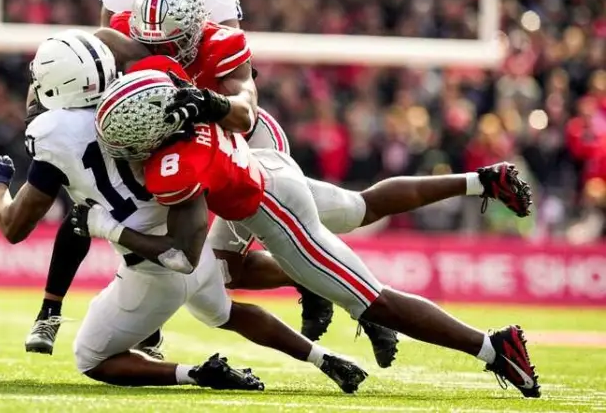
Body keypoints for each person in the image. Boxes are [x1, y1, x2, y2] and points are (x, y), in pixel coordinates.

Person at [77, 66, 541, 399]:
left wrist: (109, 228)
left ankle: (492, 348)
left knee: (373, 301)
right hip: (269, 167)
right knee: (359, 206)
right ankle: (481, 180)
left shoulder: (173, 167)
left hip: (272, 209)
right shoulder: (178, 90)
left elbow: (183, 255)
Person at [26, 0, 362, 361]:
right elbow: (98, 59)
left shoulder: (220, 1)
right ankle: (51, 308)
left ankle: (312, 275)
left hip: (202, 119)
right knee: (89, 197)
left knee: (236, 236)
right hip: (146, 115)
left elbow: (235, 80)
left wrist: (202, 104)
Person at [0, 29, 369, 392]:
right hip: (194, 244)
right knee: (224, 314)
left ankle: (196, 373)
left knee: (91, 357)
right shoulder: (137, 98)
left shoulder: (53, 132)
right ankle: (325, 358)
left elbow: (14, 226)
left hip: (155, 265)